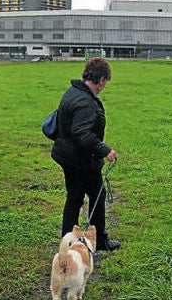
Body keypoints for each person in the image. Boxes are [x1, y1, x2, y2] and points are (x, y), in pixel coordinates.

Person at [51, 57, 120, 251]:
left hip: (68, 155)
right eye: (105, 82)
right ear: (101, 80)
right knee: (97, 193)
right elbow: (82, 134)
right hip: (81, 159)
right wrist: (105, 150)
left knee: (74, 197)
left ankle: (68, 243)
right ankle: (98, 241)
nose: (104, 86)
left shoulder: (73, 92)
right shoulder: (85, 101)